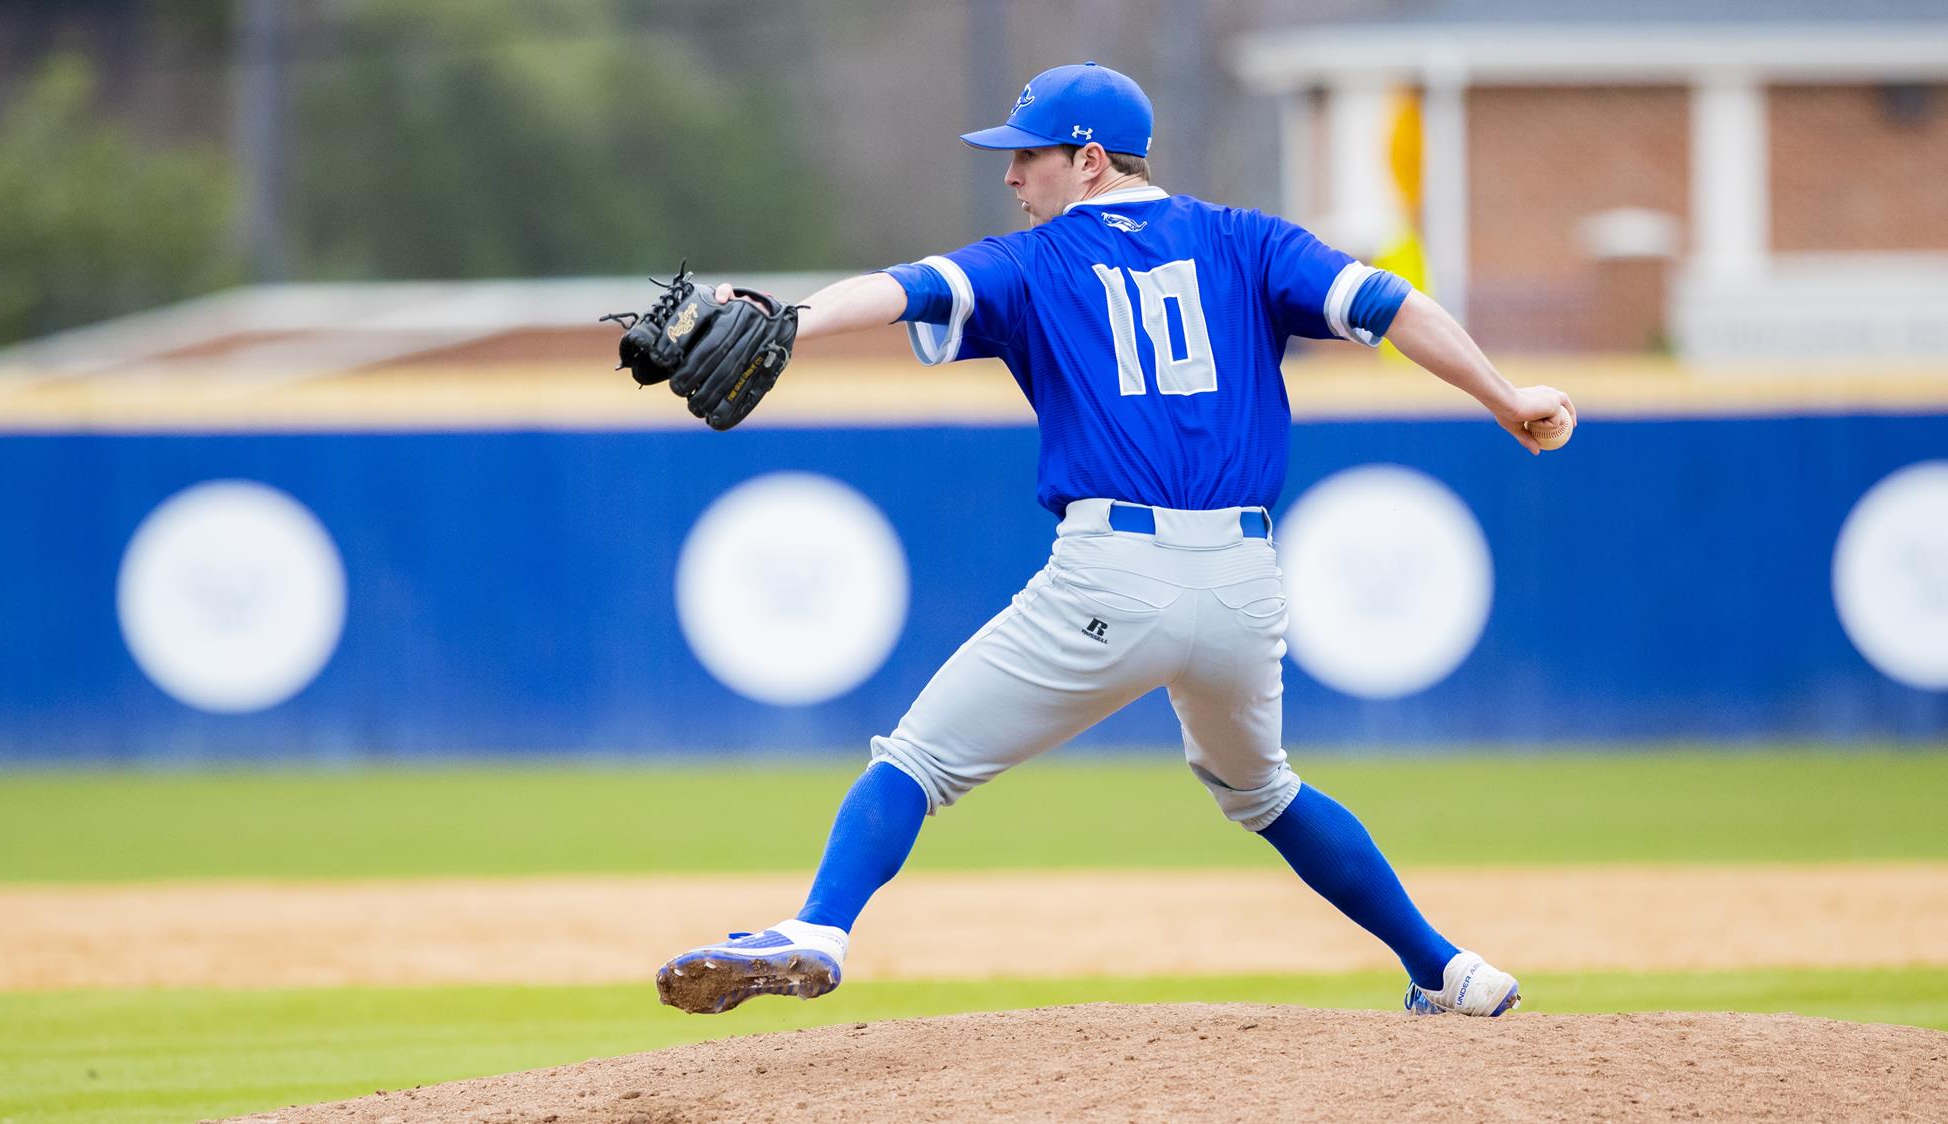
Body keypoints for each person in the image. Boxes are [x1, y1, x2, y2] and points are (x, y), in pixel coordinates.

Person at [655, 61, 1571, 1019]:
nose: (1012, 179)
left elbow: (899, 290)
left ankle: (816, 930)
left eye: (1028, 158)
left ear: (1088, 161)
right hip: (1244, 584)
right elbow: (1395, 306)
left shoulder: (1034, 263)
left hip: (1111, 576)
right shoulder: (1247, 240)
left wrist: (788, 318)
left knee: (915, 763)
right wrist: (1509, 399)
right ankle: (1449, 970)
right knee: (1262, 791)